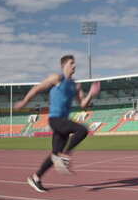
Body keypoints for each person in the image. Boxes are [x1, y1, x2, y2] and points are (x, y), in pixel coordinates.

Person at [14, 54, 100, 192]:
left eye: (74, 63)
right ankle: (65, 156)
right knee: (82, 130)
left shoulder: (76, 85)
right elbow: (37, 88)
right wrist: (24, 102)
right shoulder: (57, 78)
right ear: (64, 65)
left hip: (63, 122)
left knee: (55, 155)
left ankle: (36, 178)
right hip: (55, 120)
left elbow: (83, 104)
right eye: (71, 63)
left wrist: (91, 94)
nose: (74, 66)